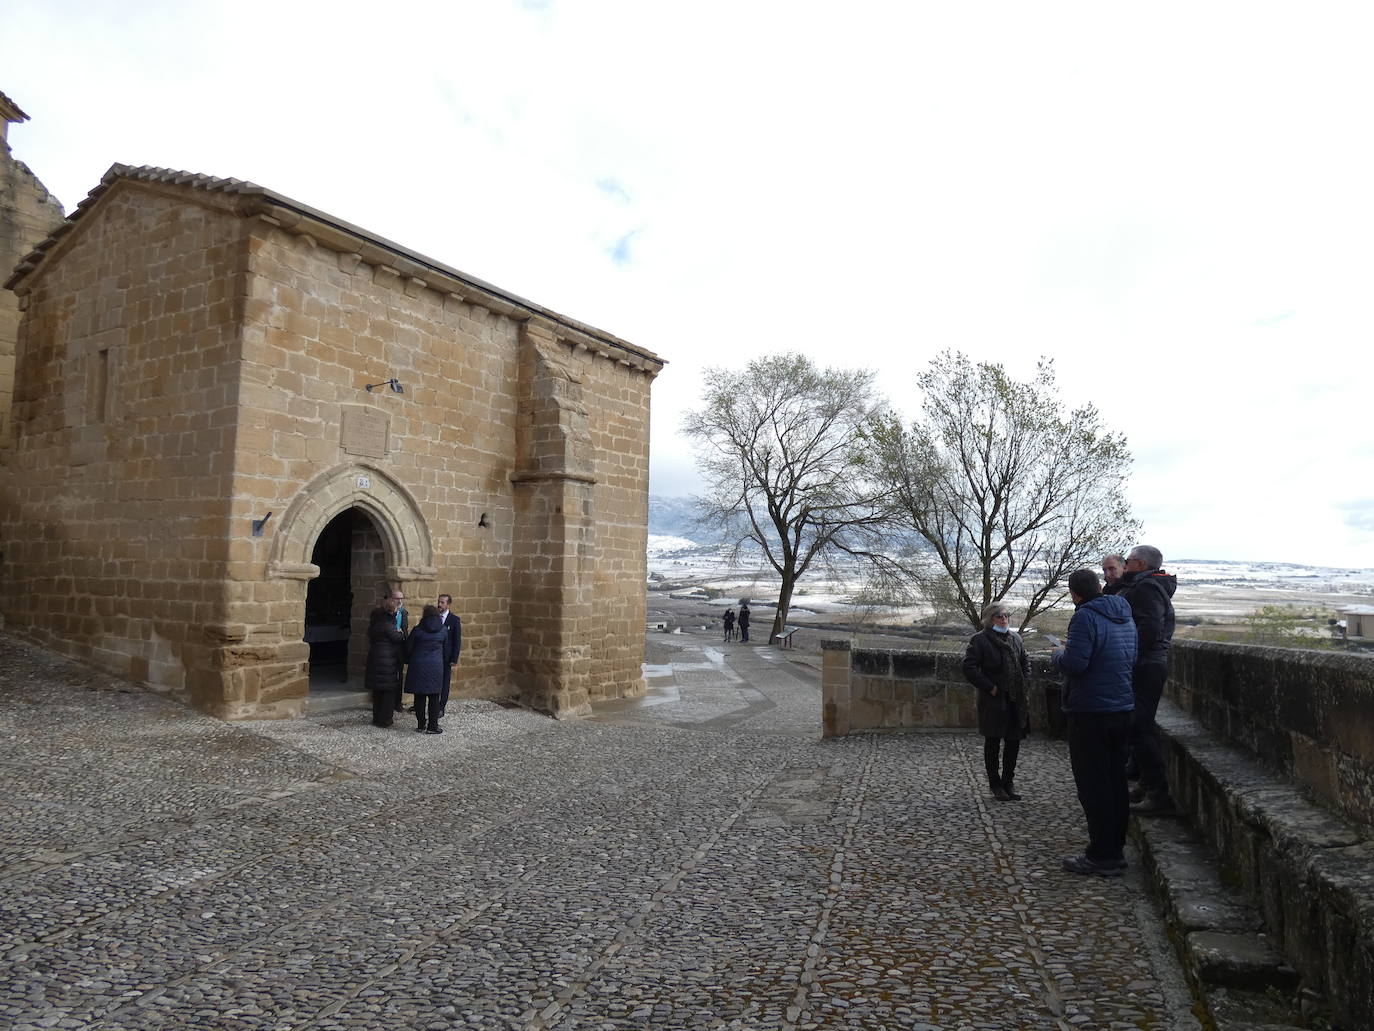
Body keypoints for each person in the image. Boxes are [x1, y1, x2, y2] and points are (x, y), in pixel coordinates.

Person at [1052, 568, 1137, 876]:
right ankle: (1115, 848)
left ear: (1075, 594)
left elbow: (1075, 665)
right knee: (1115, 783)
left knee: (1093, 786)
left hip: (1091, 712)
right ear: (1100, 587)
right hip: (1122, 707)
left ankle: (1102, 856)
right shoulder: (1124, 612)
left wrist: (1058, 653)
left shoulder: (1085, 616)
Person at [1118, 545, 1178, 815]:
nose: (1125, 565)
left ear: (1140, 564)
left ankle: (1158, 793)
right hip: (1148, 663)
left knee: (1139, 726)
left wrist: (1128, 654)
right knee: (1139, 726)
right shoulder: (1148, 584)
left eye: (1128, 561)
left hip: (1146, 665)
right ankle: (1146, 784)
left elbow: (1150, 628)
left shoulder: (1147, 588)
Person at [962, 603, 1032, 801]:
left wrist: (1024, 682)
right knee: (992, 743)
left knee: (1013, 743)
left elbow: (1025, 662)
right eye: (999, 616)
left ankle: (1008, 782)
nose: (1004, 619)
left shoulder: (1016, 638)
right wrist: (990, 687)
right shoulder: (980, 640)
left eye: (1006, 615)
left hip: (1015, 700)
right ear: (990, 619)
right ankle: (995, 784)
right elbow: (969, 667)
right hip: (993, 701)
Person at [404, 604, 451, 734]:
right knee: (434, 697)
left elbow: (408, 648)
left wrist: (409, 659)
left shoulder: (418, 630)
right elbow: (446, 651)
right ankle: (432, 726)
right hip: (436, 666)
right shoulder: (443, 630)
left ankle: (421, 724)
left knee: (419, 697)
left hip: (418, 665)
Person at [365, 588, 407, 728]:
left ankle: (377, 718)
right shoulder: (387, 624)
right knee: (388, 692)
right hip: (387, 662)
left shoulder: (375, 623)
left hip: (376, 659)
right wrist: (400, 633)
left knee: (377, 691)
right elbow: (398, 637)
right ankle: (385, 720)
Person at [436, 593, 462, 718]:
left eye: (442, 602)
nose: (439, 604)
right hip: (434, 656)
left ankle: (441, 707)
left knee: (445, 682)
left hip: (446, 657)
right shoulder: (434, 617)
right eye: (439, 602)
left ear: (448, 605)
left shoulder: (454, 620)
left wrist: (454, 658)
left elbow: (457, 641)